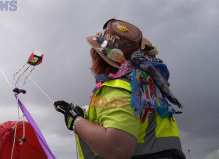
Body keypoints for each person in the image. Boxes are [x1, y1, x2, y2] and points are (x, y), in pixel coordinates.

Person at [54, 19, 185, 158]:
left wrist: (75, 120)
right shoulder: (145, 87)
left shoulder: (117, 89)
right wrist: (85, 114)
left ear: (99, 57)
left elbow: (117, 149)